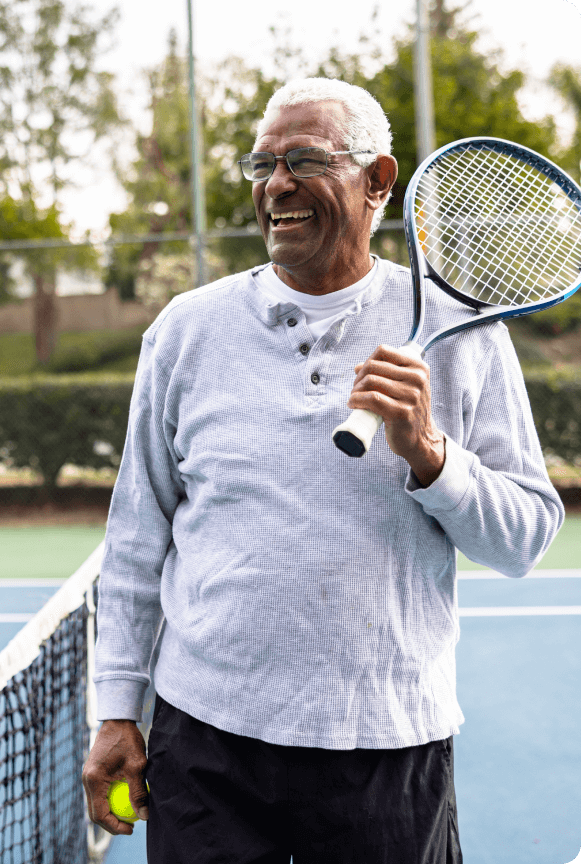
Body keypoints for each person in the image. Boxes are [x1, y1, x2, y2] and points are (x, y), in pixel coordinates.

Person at [82, 77, 564, 863]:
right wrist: (116, 708)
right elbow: (137, 537)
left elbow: (524, 540)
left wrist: (430, 456)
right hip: (206, 744)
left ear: (378, 180)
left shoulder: (464, 334)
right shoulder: (185, 331)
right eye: (262, 164)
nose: (277, 185)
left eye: (304, 160)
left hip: (389, 743)